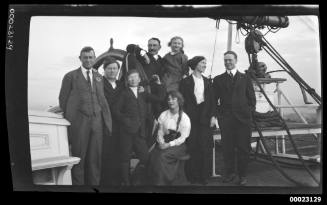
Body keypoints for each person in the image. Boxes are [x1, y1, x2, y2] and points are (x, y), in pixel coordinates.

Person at [59, 46, 112, 185]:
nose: (88, 60)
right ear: (80, 59)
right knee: (79, 159)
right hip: (79, 124)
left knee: (95, 160)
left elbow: (103, 100)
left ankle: (94, 186)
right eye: (85, 57)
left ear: (94, 58)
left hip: (97, 123)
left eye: (91, 57)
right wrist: (71, 121)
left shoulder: (99, 77)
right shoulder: (70, 76)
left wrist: (106, 122)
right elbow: (63, 100)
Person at [210, 51, 256, 186]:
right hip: (227, 120)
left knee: (243, 148)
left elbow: (251, 99)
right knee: (227, 148)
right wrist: (220, 116)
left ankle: (242, 175)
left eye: (230, 60)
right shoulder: (218, 79)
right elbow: (214, 100)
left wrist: (248, 113)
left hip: (243, 120)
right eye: (225, 60)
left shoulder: (245, 78)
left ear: (236, 60)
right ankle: (230, 174)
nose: (227, 62)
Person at [112, 69, 165, 185]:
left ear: (139, 79)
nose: (133, 79)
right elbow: (115, 111)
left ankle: (140, 180)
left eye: (135, 77)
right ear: (127, 80)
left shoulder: (143, 93)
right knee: (125, 158)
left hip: (140, 133)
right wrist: (126, 121)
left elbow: (160, 99)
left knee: (145, 158)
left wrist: (159, 84)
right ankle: (126, 183)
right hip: (126, 132)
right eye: (130, 77)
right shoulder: (124, 93)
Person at [180, 56, 213, 185]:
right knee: (192, 146)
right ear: (195, 65)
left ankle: (204, 176)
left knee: (204, 147)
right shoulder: (185, 82)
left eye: (205, 62)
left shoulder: (208, 82)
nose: (205, 65)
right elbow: (181, 101)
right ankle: (192, 176)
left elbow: (212, 101)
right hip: (190, 118)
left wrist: (213, 116)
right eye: (202, 63)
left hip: (205, 118)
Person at [147, 90, 191, 185]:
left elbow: (182, 138)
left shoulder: (184, 118)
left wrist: (168, 144)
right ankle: (155, 182)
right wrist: (162, 142)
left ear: (179, 100)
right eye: (169, 99)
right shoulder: (163, 114)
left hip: (178, 145)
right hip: (164, 142)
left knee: (162, 156)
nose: (170, 101)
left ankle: (163, 183)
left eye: (173, 99)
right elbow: (159, 131)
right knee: (153, 155)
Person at [138, 37, 166, 147]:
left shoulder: (162, 61)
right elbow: (130, 47)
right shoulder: (141, 57)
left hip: (158, 96)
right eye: (149, 45)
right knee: (145, 125)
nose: (151, 48)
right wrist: (143, 53)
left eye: (154, 45)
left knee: (158, 125)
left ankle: (153, 151)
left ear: (159, 47)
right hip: (145, 94)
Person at [100, 57, 124, 186]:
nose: (112, 71)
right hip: (105, 124)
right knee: (106, 153)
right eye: (109, 68)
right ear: (104, 70)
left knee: (119, 152)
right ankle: (106, 182)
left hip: (119, 124)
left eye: (115, 68)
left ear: (118, 70)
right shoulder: (99, 83)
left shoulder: (121, 84)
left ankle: (118, 181)